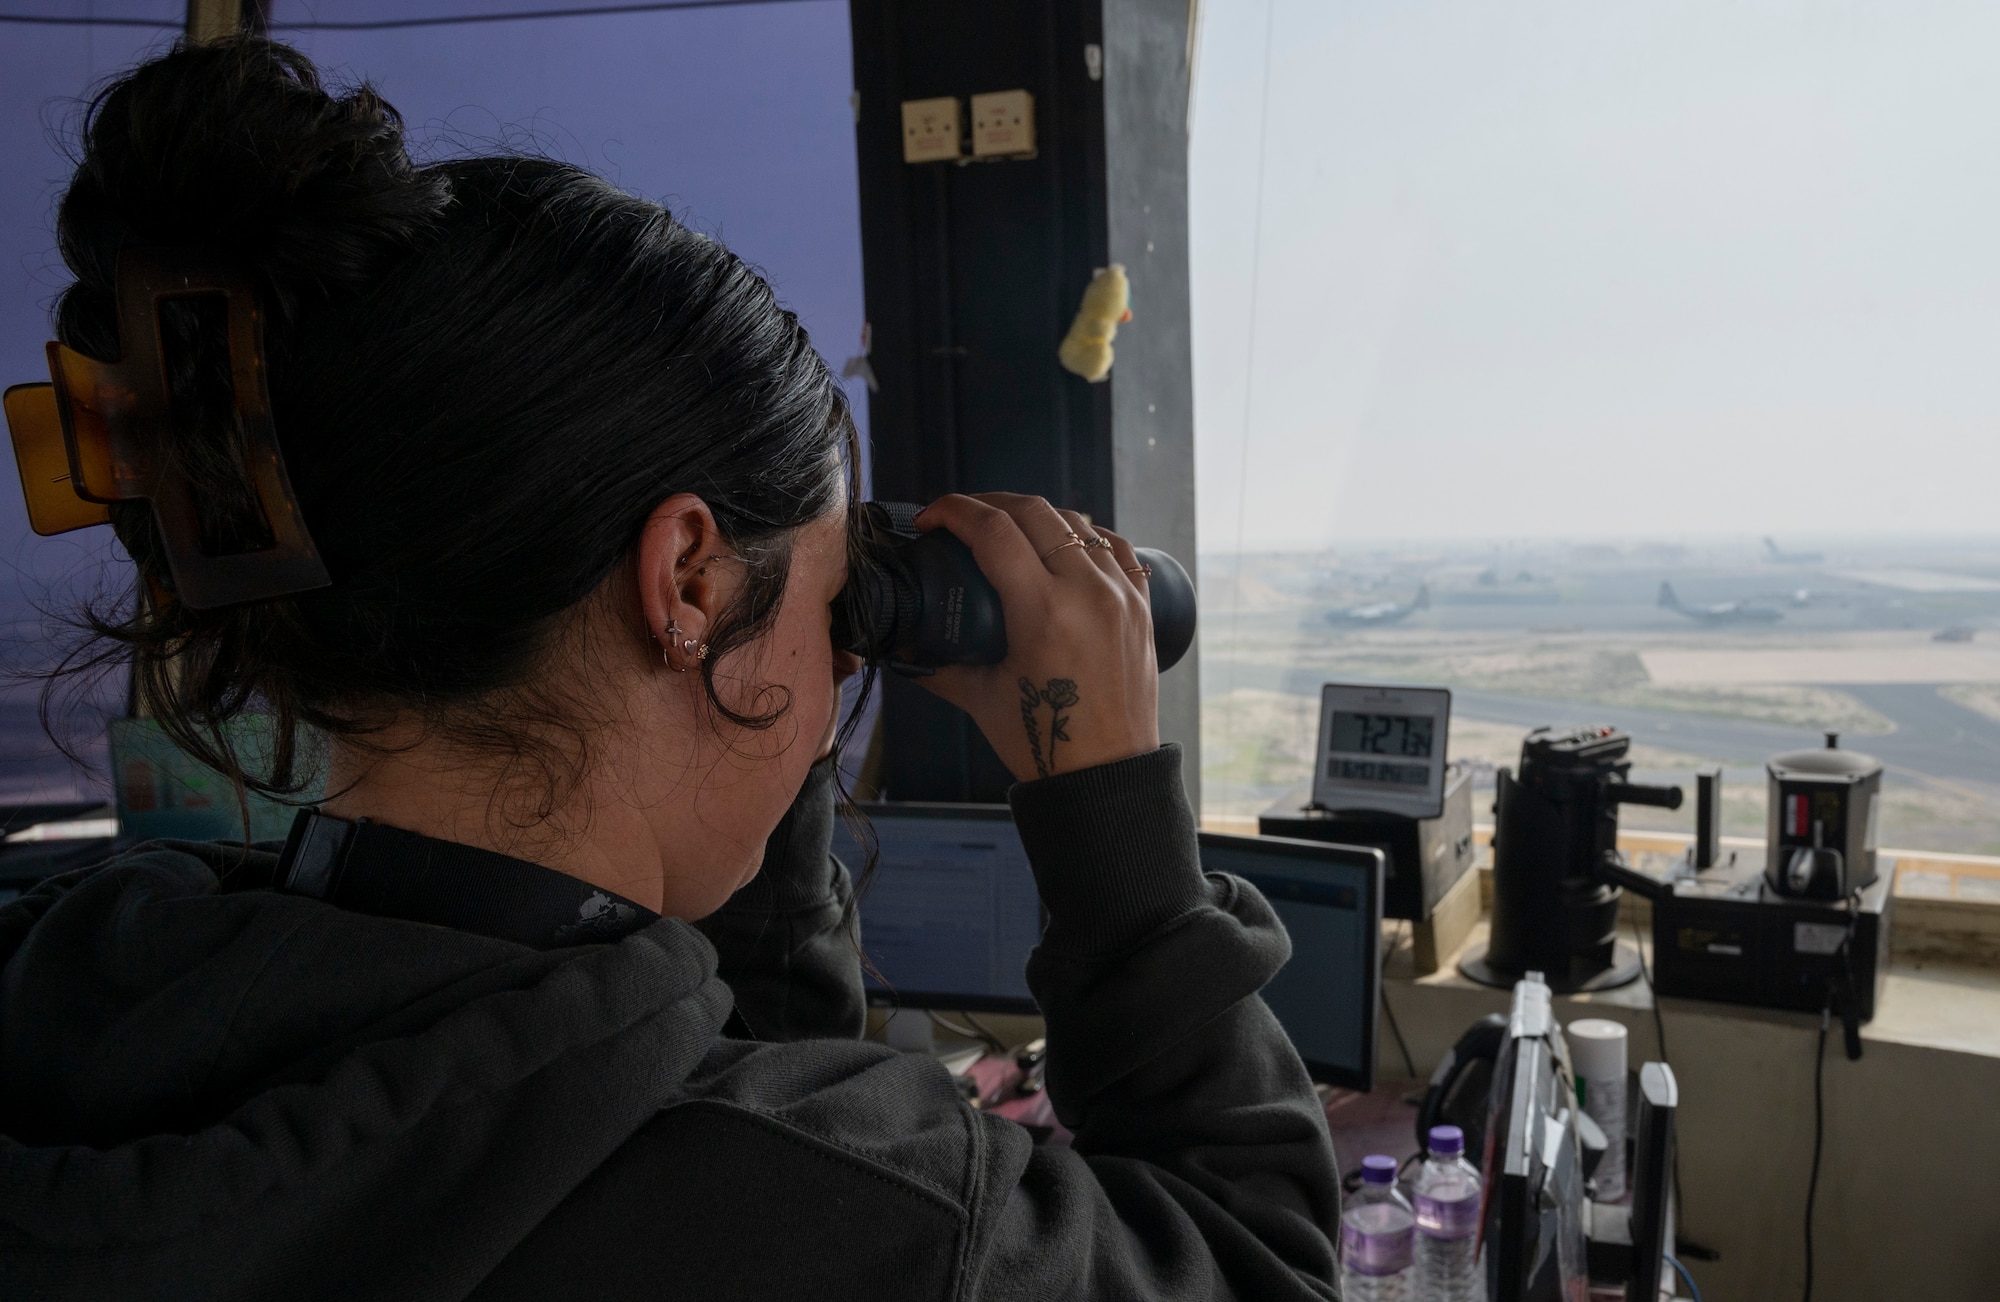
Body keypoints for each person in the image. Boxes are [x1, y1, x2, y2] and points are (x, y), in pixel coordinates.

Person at [0, 39, 1343, 1300]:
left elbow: (677, 1060)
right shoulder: (844, 1209)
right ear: (686, 577)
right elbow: (1252, 1259)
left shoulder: (77, 978)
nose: (837, 657)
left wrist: (766, 649)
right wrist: (1110, 814)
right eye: (832, 605)